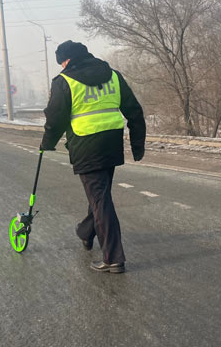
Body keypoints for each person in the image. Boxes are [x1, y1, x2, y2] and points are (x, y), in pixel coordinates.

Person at [40, 41, 145, 273]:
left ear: (67, 60)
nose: (62, 67)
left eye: (62, 62)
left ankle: (113, 257)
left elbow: (55, 118)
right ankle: (86, 232)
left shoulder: (63, 81)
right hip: (111, 144)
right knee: (99, 196)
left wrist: (47, 142)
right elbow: (135, 111)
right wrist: (138, 146)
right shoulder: (114, 76)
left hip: (85, 145)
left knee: (100, 199)